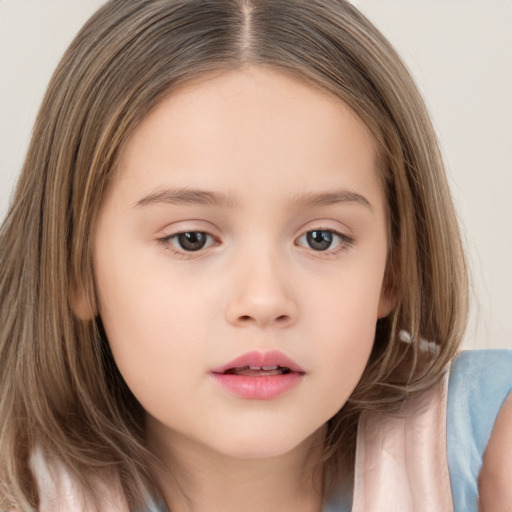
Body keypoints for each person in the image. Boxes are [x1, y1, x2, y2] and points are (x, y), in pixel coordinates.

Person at [0, 1, 510, 511]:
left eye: (321, 239)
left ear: (392, 269)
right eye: (191, 239)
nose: (264, 300)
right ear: (74, 266)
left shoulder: (490, 440)